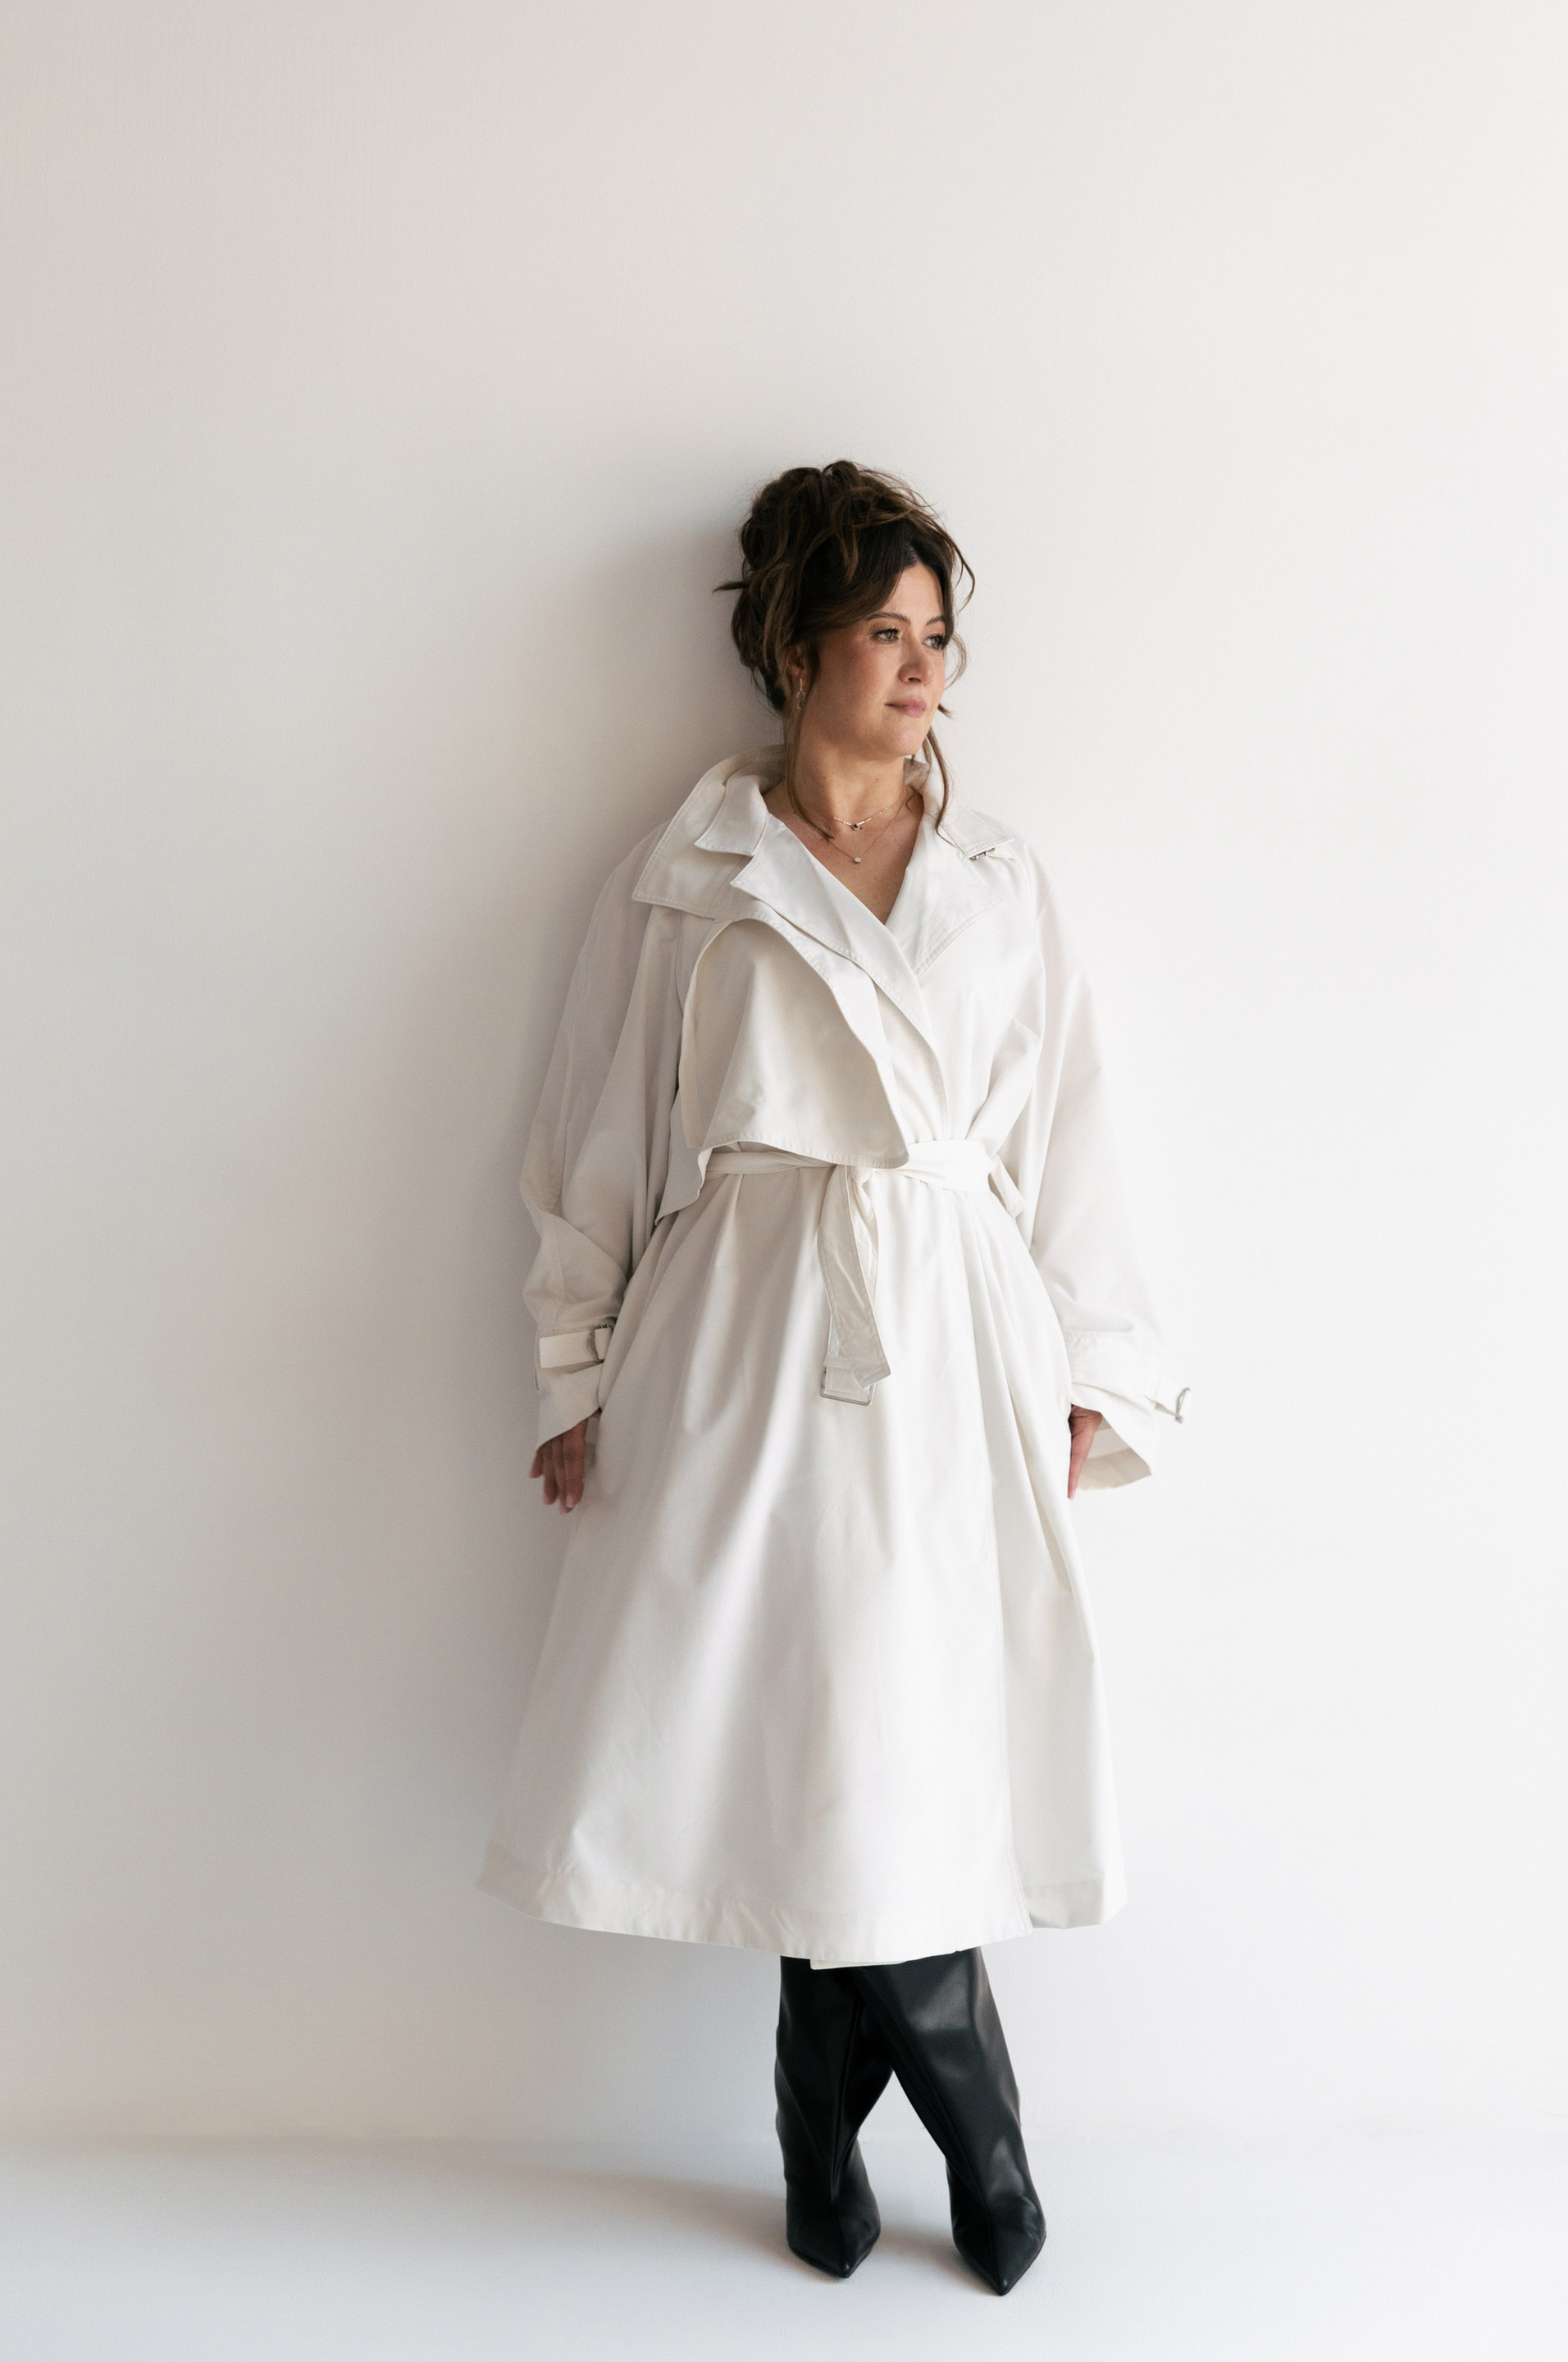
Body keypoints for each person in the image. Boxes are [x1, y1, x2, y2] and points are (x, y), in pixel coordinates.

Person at [479, 461, 1183, 2293]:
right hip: (744, 1333)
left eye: (939, 634)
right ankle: (964, 2139)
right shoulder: (688, 880)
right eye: (884, 630)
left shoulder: (1000, 885)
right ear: (797, 649)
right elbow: (596, 1134)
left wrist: (1095, 1368)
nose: (922, 666)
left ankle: (846, 2136)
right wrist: (575, 1367)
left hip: (949, 1328)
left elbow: (1070, 1137)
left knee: (902, 1731)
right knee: (812, 1724)